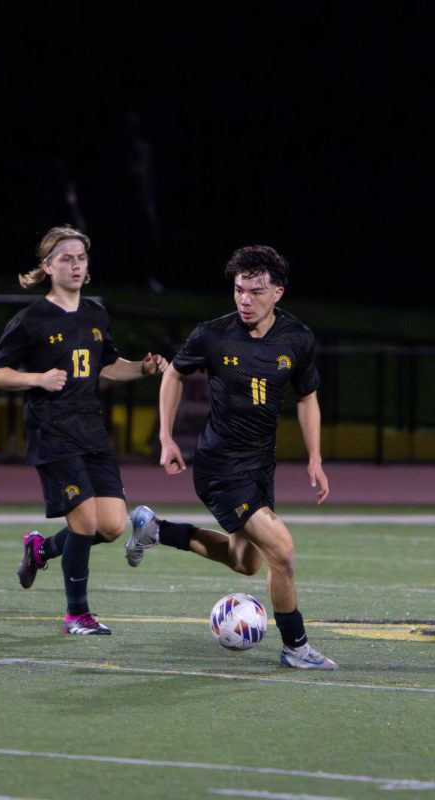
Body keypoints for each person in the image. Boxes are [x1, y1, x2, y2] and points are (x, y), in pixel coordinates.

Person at [126, 245, 338, 670]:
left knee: (246, 562)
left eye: (256, 292)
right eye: (239, 290)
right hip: (219, 466)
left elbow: (308, 396)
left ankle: (155, 530)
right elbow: (173, 374)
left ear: (278, 292)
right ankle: (296, 647)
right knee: (283, 551)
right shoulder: (214, 334)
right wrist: (166, 438)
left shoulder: (297, 338)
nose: (244, 300)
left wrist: (315, 457)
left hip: (261, 466)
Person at [0, 225, 166, 635]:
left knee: (113, 526)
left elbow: (108, 366)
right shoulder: (30, 319)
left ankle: (41, 548)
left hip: (91, 430)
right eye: (66, 258)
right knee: (83, 523)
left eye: (81, 257)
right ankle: (76, 614)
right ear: (47, 266)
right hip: (53, 431)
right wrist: (37, 379)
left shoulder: (96, 312)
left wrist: (143, 368)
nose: (76, 265)